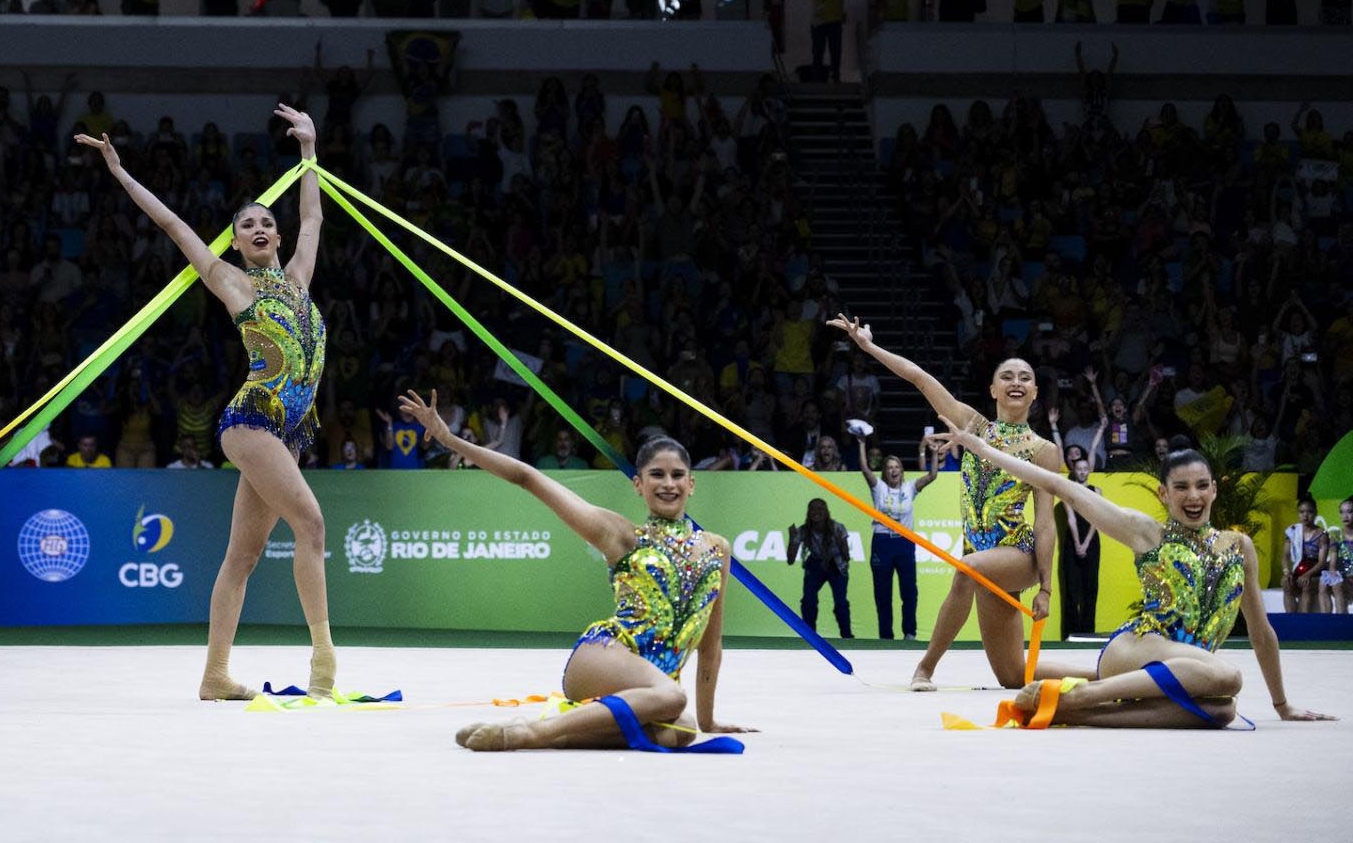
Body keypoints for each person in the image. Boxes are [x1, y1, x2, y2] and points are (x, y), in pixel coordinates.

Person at [77, 104, 333, 699]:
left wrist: (309, 153)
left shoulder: (298, 280)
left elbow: (314, 216)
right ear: (237, 242)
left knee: (241, 557)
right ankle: (324, 662)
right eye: (248, 226)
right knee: (312, 525)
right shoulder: (231, 282)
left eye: (268, 220)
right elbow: (173, 225)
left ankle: (215, 675)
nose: (261, 228)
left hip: (290, 434)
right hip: (253, 421)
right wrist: (119, 172)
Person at [398, 391, 753, 750]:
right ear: (638, 485)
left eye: (678, 475)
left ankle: (544, 733)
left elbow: (711, 646)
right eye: (656, 474)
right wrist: (448, 439)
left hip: (654, 691)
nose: (668, 483)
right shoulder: (622, 536)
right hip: (606, 658)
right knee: (673, 699)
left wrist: (708, 722)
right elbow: (528, 478)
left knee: (682, 729)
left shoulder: (716, 550)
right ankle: (529, 734)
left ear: (691, 485)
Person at [927, 432, 1332, 727]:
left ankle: (1075, 710)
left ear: (1214, 491)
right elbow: (1060, 487)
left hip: (1187, 672)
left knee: (1221, 709)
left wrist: (1283, 705)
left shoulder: (1238, 547)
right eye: (1181, 487)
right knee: (1229, 678)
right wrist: (983, 450)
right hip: (1137, 649)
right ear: (1163, 494)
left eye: (1202, 486)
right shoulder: (1147, 532)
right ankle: (1084, 692)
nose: (1193, 496)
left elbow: (1261, 631)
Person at [829, 315, 1060, 690]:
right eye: (1007, 376)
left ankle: (925, 669)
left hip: (1018, 554)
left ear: (1034, 393)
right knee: (1014, 677)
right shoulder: (972, 426)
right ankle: (1104, 676)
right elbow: (920, 378)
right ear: (992, 390)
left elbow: (1046, 522)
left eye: (1025, 378)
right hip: (981, 554)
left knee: (967, 568)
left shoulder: (1044, 451)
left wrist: (1047, 588)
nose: (1016, 382)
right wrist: (868, 347)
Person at [855, 432, 938, 640]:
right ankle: (886, 636)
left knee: (909, 591)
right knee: (882, 593)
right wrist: (862, 444)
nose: (893, 470)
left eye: (896, 467)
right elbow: (865, 469)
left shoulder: (910, 488)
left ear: (902, 471)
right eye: (889, 467)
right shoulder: (879, 488)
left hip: (905, 543)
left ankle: (909, 633)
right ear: (885, 471)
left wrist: (933, 453)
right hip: (882, 542)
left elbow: (932, 476)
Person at [788, 497, 853, 638]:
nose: (816, 512)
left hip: (836, 564)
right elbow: (790, 560)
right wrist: (792, 539)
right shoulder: (803, 531)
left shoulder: (838, 528)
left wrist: (840, 545)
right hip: (815, 563)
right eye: (813, 509)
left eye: (820, 509)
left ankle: (847, 636)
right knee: (808, 600)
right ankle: (809, 635)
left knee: (840, 602)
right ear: (808, 512)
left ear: (827, 512)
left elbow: (846, 556)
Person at [1055, 446, 1103, 638]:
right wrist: (1077, 544)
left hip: (1092, 543)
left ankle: (1088, 633)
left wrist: (1085, 543)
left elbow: (1095, 519)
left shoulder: (1097, 491)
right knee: (1072, 591)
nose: (1082, 471)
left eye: (1085, 468)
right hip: (1071, 544)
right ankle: (1072, 634)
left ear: (1089, 470)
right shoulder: (1068, 491)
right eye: (1079, 468)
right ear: (1074, 470)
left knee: (1091, 589)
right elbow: (1071, 519)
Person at [1284, 498, 1329, 613]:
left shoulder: (1322, 535)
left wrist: (1308, 575)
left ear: (1315, 513)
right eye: (1301, 512)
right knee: (1286, 582)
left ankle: (1303, 620)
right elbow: (1286, 555)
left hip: (1315, 572)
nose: (1305, 515)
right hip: (1298, 569)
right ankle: (1290, 619)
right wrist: (1287, 572)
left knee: (1306, 583)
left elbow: (1322, 562)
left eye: (1309, 512)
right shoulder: (1293, 531)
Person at [808, 0, 844, 80]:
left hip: (834, 21)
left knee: (835, 50)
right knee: (818, 51)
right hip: (818, 22)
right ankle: (817, 76)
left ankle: (836, 75)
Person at [1332, 499, 1353, 615]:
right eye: (1342, 512)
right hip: (1345, 579)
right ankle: (1341, 621)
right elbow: (1332, 564)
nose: (1345, 516)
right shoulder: (1336, 535)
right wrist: (1334, 572)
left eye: (1350, 512)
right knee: (1335, 583)